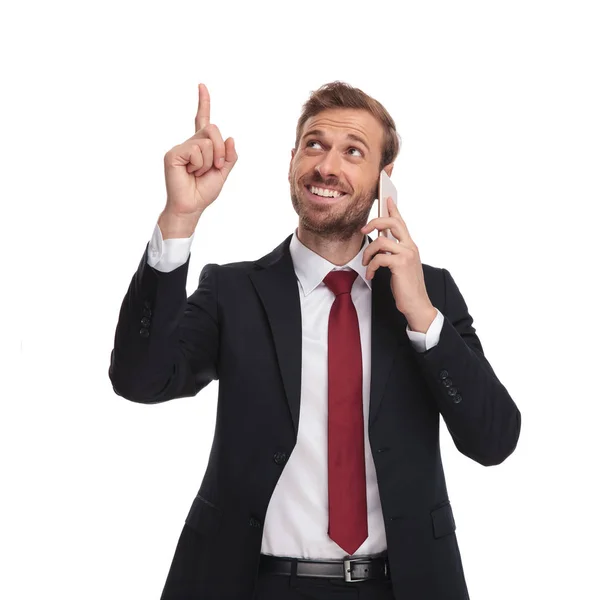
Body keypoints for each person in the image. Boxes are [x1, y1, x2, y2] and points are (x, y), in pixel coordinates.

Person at [109, 81, 521, 600]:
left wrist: (420, 313)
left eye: (354, 151)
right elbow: (140, 379)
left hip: (400, 586)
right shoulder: (233, 292)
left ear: (383, 181)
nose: (327, 166)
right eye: (314, 144)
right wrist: (180, 219)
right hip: (253, 585)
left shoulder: (430, 292)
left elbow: (494, 439)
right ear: (291, 162)